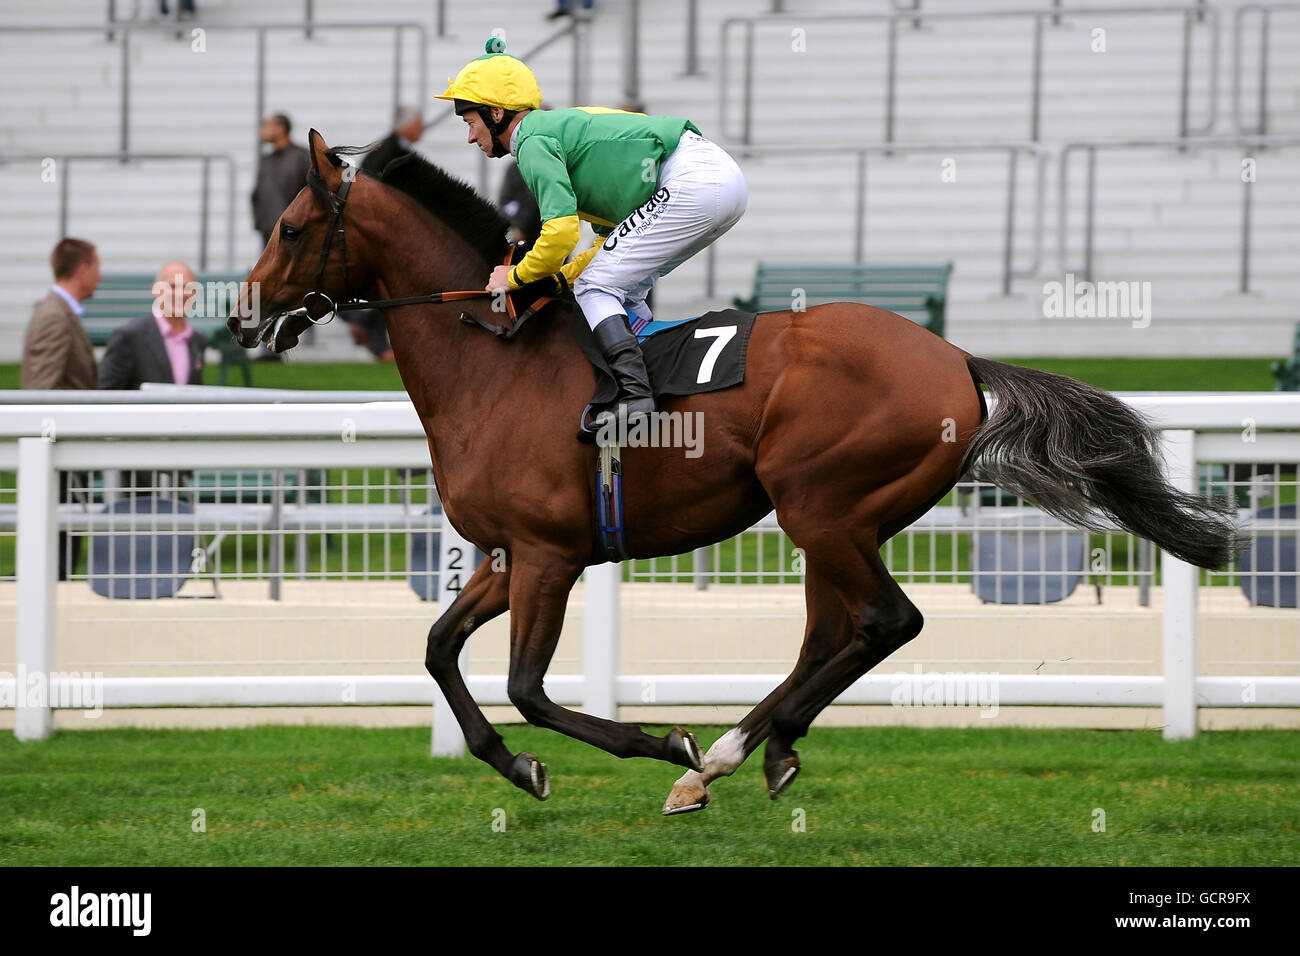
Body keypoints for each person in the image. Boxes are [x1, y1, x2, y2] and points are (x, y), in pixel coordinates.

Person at [437, 40, 748, 422]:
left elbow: (561, 235)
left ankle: (635, 398)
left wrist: (515, 276)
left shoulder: (532, 141)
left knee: (596, 288)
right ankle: (652, 382)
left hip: (696, 180)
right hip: (717, 180)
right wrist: (554, 281)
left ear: (496, 113)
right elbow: (604, 247)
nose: (470, 137)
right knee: (622, 287)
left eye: (470, 123)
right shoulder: (562, 140)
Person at [21, 237, 102, 580]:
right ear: (82, 269)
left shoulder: (59, 312)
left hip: (62, 457)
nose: (100, 277)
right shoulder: (55, 316)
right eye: (96, 268)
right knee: (53, 564)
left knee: (61, 559)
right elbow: (40, 391)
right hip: (56, 458)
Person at [100, 261, 209, 494]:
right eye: (172, 286)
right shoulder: (129, 337)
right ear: (157, 290)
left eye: (187, 287)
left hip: (179, 466)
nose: (180, 294)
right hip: (136, 469)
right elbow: (106, 397)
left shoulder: (196, 341)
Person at [251, 113, 310, 249]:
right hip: (268, 237)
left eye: (267, 125)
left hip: (296, 238)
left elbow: (312, 192)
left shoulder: (301, 157)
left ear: (281, 129)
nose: (262, 130)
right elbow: (257, 195)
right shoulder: (266, 160)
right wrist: (261, 224)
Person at [361, 106, 424, 177]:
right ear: (405, 125)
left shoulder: (399, 147)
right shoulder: (384, 150)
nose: (422, 128)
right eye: (418, 124)